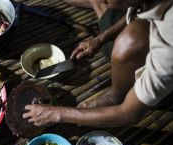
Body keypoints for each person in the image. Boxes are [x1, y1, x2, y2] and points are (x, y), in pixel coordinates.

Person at [23, 0, 173, 127]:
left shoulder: (168, 40)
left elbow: (130, 114)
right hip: (144, 21)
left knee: (128, 40)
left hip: (164, 88)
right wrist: (100, 39)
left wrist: (57, 114)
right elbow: (137, 11)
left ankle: (116, 96)